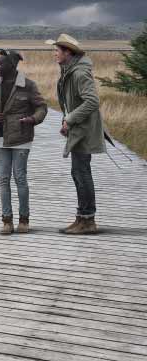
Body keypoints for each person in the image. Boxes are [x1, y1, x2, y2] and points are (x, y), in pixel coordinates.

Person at [48, 34, 111, 235]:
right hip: (78, 129)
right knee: (79, 173)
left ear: (68, 52)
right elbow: (72, 103)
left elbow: (92, 101)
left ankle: (87, 220)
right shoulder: (70, 70)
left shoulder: (79, 73)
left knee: (81, 173)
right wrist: (67, 120)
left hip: (84, 131)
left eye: (57, 50)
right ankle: (82, 218)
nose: (54, 53)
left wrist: (71, 119)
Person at [0, 50, 47, 234]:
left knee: (20, 178)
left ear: (12, 65)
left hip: (21, 138)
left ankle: (24, 220)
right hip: (0, 138)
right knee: (3, 180)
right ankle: (6, 221)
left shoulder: (28, 85)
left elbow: (41, 107)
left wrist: (33, 119)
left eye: (0, 63)